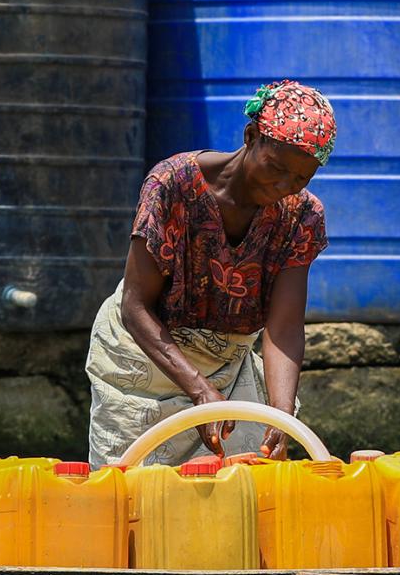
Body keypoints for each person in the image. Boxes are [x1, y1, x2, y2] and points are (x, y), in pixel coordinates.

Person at [85, 80, 333, 466]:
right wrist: (200, 392)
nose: (285, 186)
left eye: (301, 178)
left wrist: (282, 417)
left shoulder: (301, 215)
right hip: (144, 359)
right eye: (276, 168)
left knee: (243, 494)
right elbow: (135, 307)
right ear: (250, 136)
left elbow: (283, 329)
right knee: (134, 494)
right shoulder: (173, 185)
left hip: (226, 365)